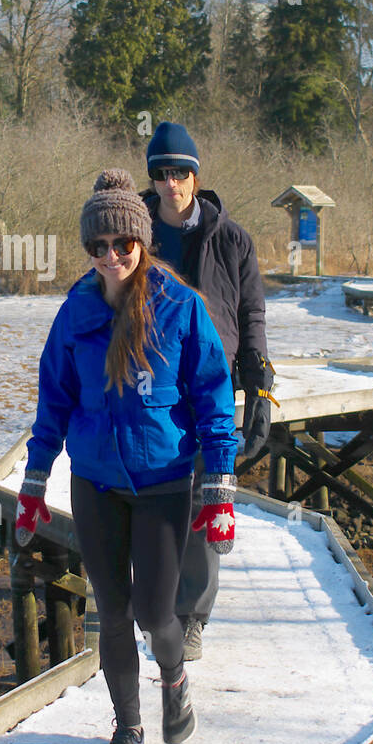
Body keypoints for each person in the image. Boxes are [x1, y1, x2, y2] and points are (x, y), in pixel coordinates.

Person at [14, 168, 239, 744]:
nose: (111, 257)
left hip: (164, 481)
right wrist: (34, 485)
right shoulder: (76, 312)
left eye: (122, 244)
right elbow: (53, 403)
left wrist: (218, 488)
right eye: (98, 246)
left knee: (154, 614)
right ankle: (128, 729)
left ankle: (174, 672)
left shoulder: (180, 308)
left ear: (141, 243)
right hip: (95, 483)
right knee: (110, 613)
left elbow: (215, 398)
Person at [141, 122, 274, 661]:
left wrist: (261, 387)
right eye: (162, 174)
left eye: (181, 173)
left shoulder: (233, 238)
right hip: (149, 382)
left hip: (210, 384)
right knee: (151, 497)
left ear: (196, 176)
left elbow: (252, 315)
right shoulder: (136, 236)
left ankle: (191, 615)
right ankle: (153, 603)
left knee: (202, 497)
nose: (172, 184)